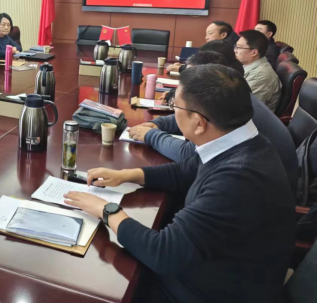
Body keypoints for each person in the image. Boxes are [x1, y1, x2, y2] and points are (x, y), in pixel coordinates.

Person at [64, 65, 296, 302]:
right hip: (213, 270)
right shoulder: (241, 140)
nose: (173, 112)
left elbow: (165, 253)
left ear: (199, 123)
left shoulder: (237, 180)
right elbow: (187, 170)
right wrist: (127, 175)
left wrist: (106, 210)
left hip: (207, 293)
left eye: (176, 106)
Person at [130, 51, 298, 194]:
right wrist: (159, 124)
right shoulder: (232, 97)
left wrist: (152, 136)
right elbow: (191, 165)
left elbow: (188, 154)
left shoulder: (232, 177)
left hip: (255, 194)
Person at [235, 30, 281, 112]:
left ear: (254, 52)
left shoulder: (260, 76)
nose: (235, 50)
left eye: (239, 47)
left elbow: (244, 107)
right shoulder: (247, 65)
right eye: (236, 46)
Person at [166, 24, 242, 73]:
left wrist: (181, 68)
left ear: (223, 35)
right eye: (206, 34)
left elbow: (206, 70)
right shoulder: (221, 46)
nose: (206, 37)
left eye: (210, 33)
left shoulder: (223, 48)